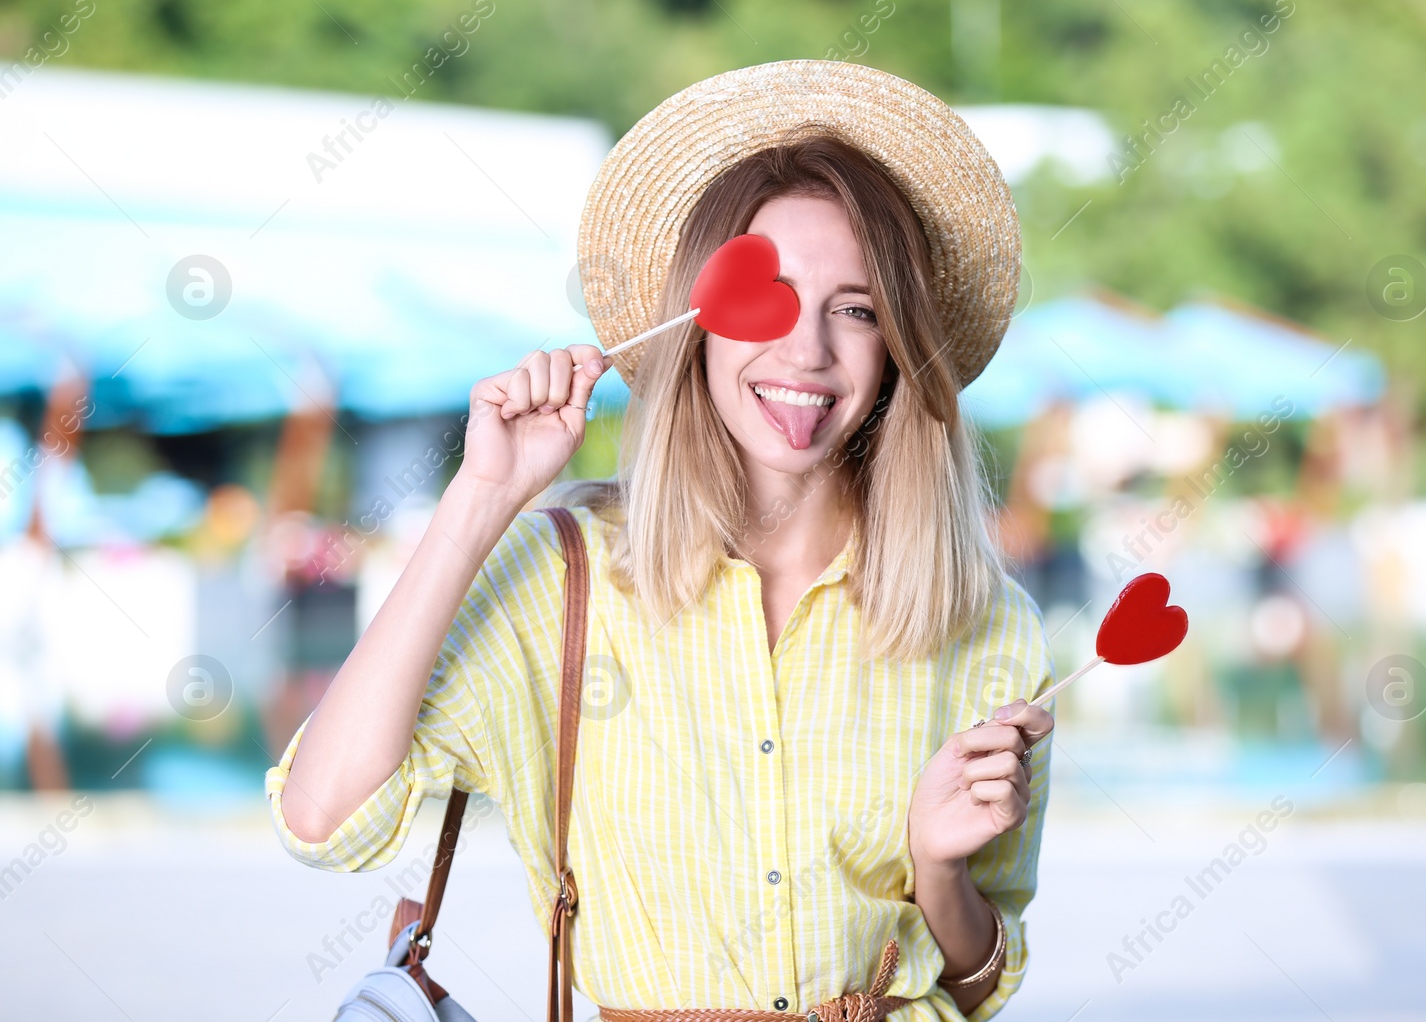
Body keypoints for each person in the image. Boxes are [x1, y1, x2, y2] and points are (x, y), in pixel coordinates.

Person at [267, 60, 1056, 1022]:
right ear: (699, 324)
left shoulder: (983, 622)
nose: (808, 350)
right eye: (766, 297)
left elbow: (982, 983)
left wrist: (940, 871)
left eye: (855, 308)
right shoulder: (564, 578)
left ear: (898, 345)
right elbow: (323, 822)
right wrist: (482, 498)